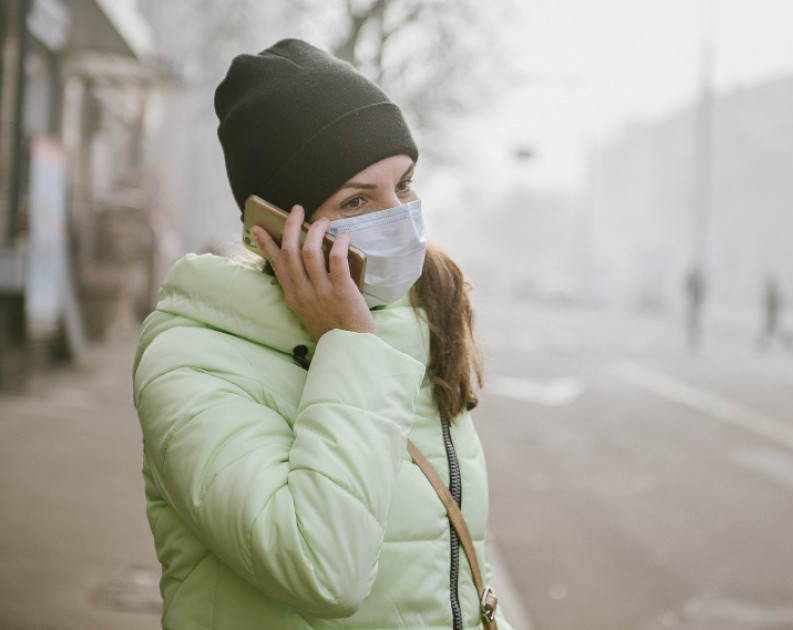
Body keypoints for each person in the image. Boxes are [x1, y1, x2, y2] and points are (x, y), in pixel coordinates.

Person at [132, 39, 511, 629]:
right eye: (358, 199)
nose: (402, 215)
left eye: (404, 184)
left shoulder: (411, 324)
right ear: (277, 227)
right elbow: (322, 571)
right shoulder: (193, 361)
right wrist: (349, 346)